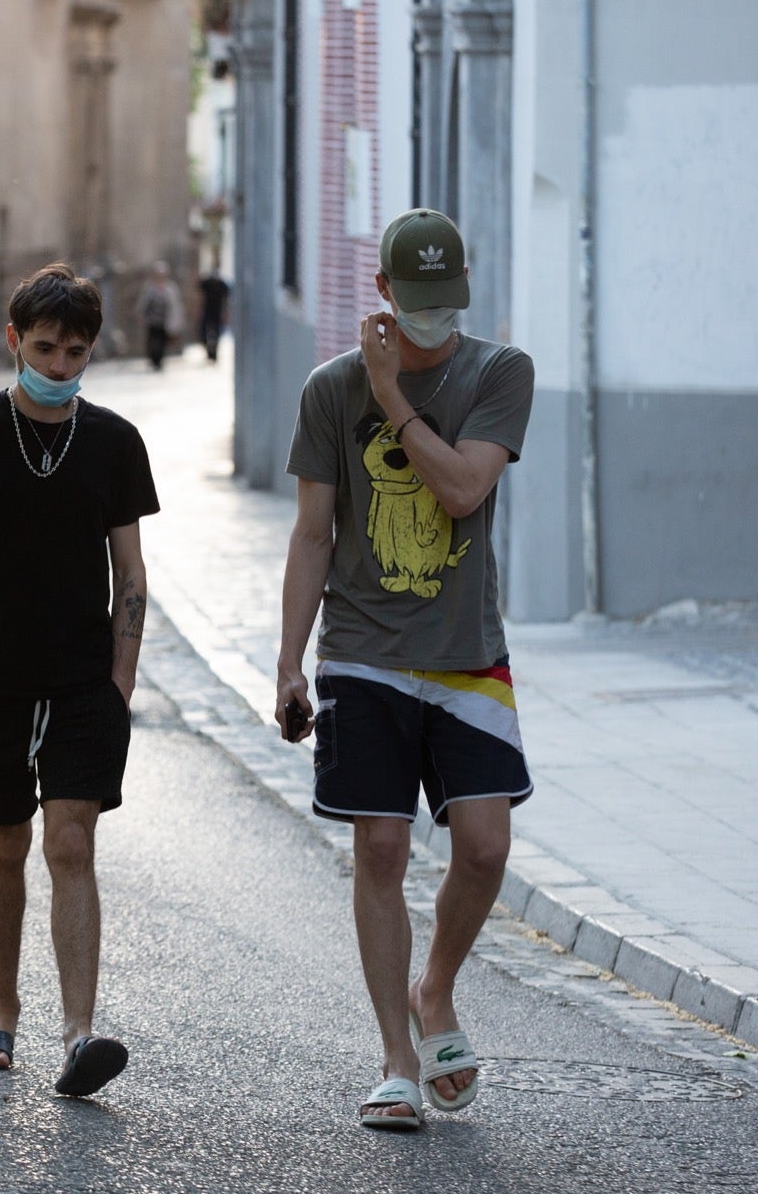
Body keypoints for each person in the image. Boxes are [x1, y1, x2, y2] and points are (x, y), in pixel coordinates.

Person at [275, 209, 535, 1131]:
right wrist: (288, 661)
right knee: (379, 848)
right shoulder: (326, 390)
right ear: (382, 293)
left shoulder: (501, 373)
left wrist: (392, 397)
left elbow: (463, 489)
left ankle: (437, 986)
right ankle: (395, 1062)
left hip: (468, 653)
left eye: (446, 300)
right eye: (414, 300)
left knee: (485, 848)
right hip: (363, 653)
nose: (433, 316)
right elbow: (313, 533)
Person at [0, 262, 158, 1099]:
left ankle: (80, 1031)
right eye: (45, 348)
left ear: (93, 351)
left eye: (75, 353)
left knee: (72, 841)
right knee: (4, 845)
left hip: (85, 681)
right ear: (14, 341)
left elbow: (131, 572)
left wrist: (121, 681)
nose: (58, 367)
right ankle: (2, 1011)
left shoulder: (116, 442)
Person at [136, 261, 184, 371]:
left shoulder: (171, 288)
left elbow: (175, 305)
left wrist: (177, 321)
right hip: (152, 320)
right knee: (152, 340)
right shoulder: (149, 287)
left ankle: (159, 360)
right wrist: (140, 314)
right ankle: (153, 359)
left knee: (162, 341)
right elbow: (143, 302)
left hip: (164, 320)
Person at [197, 268, 230, 362]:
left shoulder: (222, 285)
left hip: (217, 312)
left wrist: (226, 313)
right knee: (203, 333)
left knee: (216, 333)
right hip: (207, 311)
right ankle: (209, 352)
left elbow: (226, 300)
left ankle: (213, 354)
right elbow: (200, 296)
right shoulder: (206, 283)